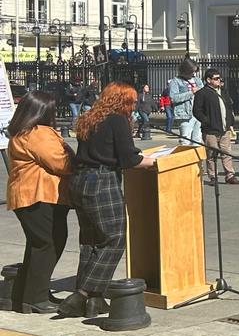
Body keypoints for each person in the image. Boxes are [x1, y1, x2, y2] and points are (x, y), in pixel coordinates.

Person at [62, 82, 157, 317]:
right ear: (122, 101)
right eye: (131, 101)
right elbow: (129, 159)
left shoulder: (89, 117)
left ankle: (93, 301)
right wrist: (156, 161)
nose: (134, 106)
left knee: (91, 240)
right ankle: (82, 293)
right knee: (114, 238)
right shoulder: (116, 120)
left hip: (80, 181)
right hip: (102, 182)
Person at [5, 91, 73, 313]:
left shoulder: (21, 131)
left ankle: (30, 294)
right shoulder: (38, 133)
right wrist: (73, 155)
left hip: (28, 196)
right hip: (39, 195)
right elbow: (61, 163)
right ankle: (36, 298)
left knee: (39, 244)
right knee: (48, 244)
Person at [192, 69, 239, 186]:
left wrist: (230, 122)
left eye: (219, 78)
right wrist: (207, 121)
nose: (219, 80)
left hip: (224, 129)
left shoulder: (223, 91)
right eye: (216, 78)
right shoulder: (202, 93)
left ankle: (230, 175)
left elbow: (229, 107)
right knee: (211, 154)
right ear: (208, 80)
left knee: (226, 152)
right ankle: (213, 176)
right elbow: (197, 111)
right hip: (210, 130)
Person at [167, 58, 204, 143]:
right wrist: (191, 93)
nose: (193, 73)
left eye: (195, 71)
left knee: (197, 139)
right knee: (185, 139)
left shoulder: (197, 80)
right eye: (192, 71)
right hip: (185, 114)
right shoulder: (175, 81)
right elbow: (173, 98)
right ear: (185, 70)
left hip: (198, 113)